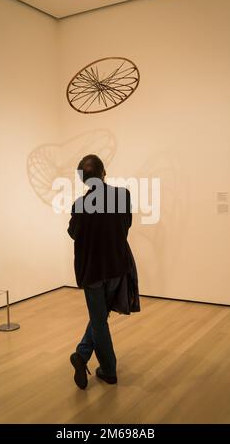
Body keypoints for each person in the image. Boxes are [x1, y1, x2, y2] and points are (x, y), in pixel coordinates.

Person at [68, 154, 139, 390]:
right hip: (116, 268)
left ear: (83, 180)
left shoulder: (80, 205)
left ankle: (108, 370)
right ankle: (82, 355)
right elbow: (126, 224)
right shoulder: (123, 195)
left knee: (98, 320)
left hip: (92, 273)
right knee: (99, 318)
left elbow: (73, 234)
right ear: (103, 173)